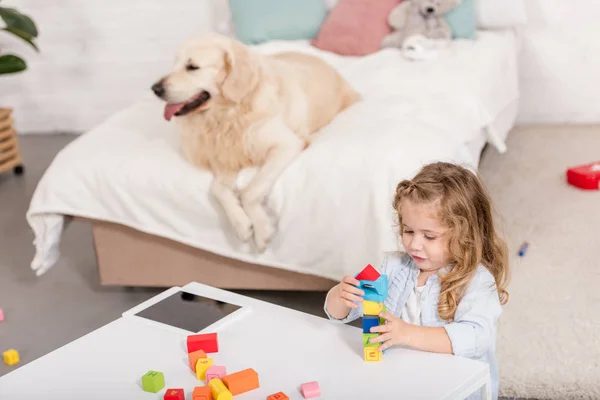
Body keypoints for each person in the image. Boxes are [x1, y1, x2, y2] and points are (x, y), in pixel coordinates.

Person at [324, 161, 510, 400]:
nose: (414, 244)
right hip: (401, 379)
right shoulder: (392, 266)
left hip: (455, 388)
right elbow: (339, 315)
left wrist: (407, 334)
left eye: (429, 236)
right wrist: (341, 295)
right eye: (408, 231)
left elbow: (477, 338)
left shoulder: (476, 280)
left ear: (465, 236)